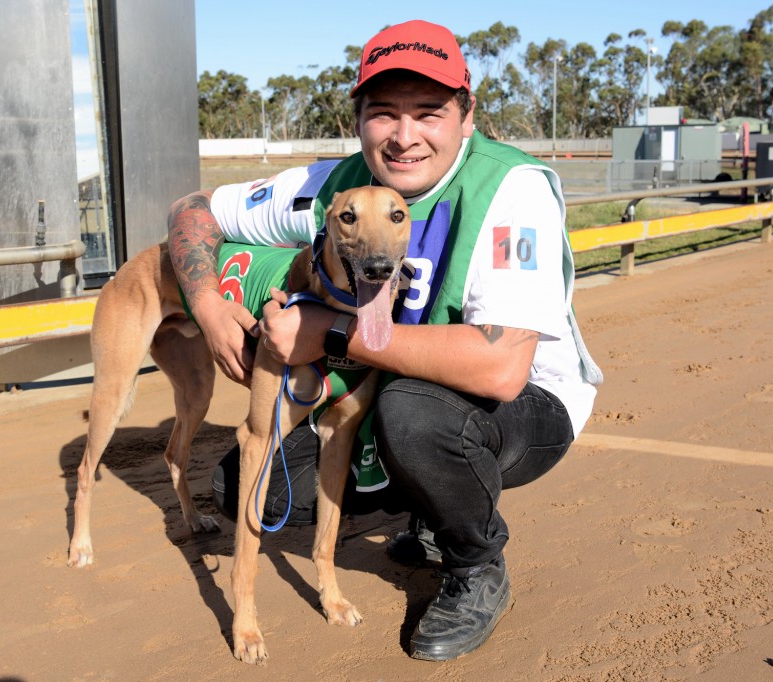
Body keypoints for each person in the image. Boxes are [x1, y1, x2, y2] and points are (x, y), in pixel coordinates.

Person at [167, 19, 602, 661]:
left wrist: (331, 329)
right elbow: (192, 209)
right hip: (390, 385)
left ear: (466, 114)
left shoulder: (512, 192)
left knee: (414, 414)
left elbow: (502, 370)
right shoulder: (333, 187)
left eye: (428, 112)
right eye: (383, 114)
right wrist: (206, 302)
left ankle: (474, 564)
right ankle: (423, 501)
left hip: (524, 405)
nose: (404, 136)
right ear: (359, 117)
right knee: (246, 484)